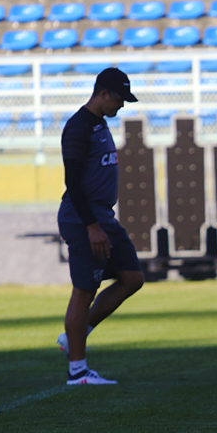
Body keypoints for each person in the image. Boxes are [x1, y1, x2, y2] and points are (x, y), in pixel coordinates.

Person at [56, 67, 144, 385]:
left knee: (132, 278)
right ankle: (77, 371)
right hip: (85, 219)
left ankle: (75, 335)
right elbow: (73, 183)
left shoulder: (100, 124)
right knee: (84, 291)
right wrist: (91, 226)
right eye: (119, 99)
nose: (121, 106)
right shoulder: (78, 127)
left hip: (104, 218)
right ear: (103, 94)